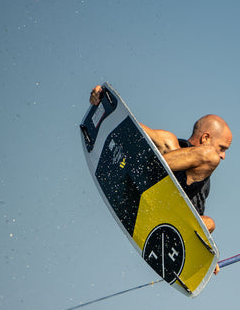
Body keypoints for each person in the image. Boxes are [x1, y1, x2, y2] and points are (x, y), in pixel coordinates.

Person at [88, 86, 232, 237]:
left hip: (174, 219)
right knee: (200, 152)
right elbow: (132, 128)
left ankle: (148, 179)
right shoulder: (170, 143)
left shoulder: (203, 176)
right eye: (222, 148)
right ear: (206, 138)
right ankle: (142, 171)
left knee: (209, 223)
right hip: (148, 186)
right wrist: (101, 99)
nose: (223, 156)